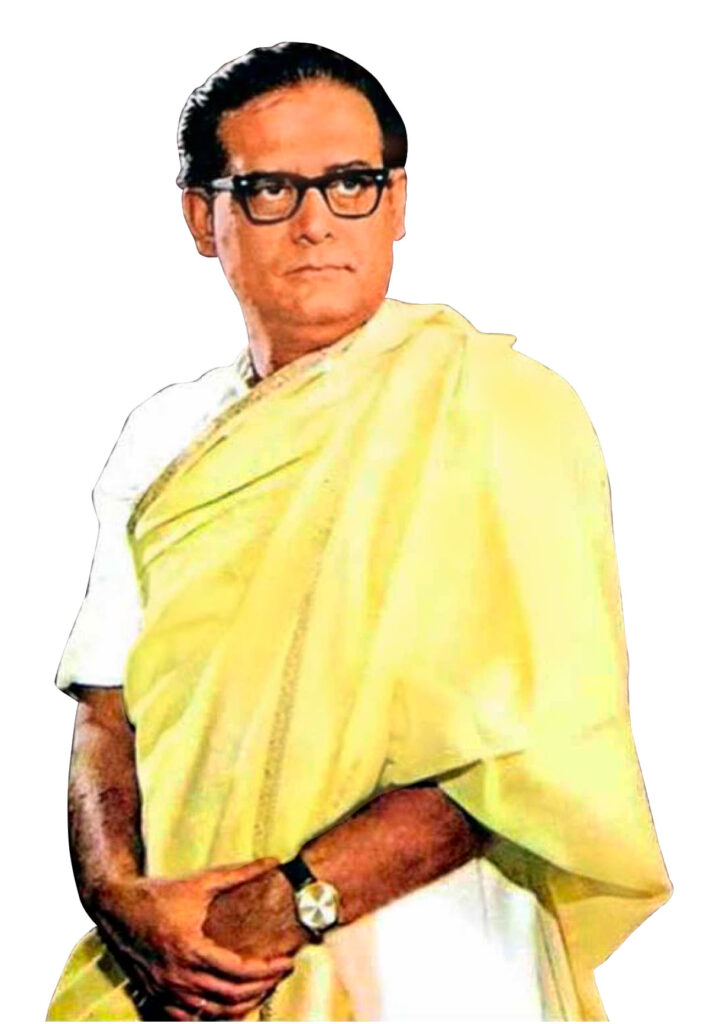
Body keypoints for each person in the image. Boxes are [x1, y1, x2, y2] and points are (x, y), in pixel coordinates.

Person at [47, 41, 671, 1022]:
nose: (315, 223)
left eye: (350, 183)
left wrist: (281, 908)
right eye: (268, 190)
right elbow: (104, 707)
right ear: (201, 217)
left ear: (397, 202)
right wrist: (120, 900)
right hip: (180, 961)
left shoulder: (495, 409)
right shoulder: (162, 438)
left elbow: (534, 739)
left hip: (431, 956)